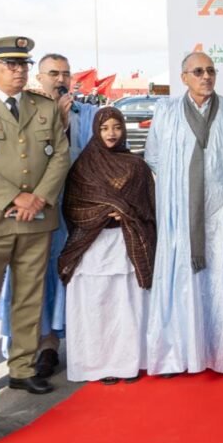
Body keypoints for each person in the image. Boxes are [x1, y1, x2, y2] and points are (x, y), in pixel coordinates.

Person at [0, 36, 70, 394]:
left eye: (23, 64)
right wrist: (15, 197)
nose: (19, 71)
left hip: (36, 218)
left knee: (29, 298)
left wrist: (39, 198)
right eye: (11, 64)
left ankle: (22, 368)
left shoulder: (43, 106)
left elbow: (60, 155)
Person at [144, 52, 223, 375]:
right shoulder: (166, 112)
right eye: (198, 71)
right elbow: (154, 157)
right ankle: (177, 356)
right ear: (184, 78)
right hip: (181, 215)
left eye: (210, 71)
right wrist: (179, 192)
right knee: (181, 281)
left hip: (222, 214)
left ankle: (220, 354)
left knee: (220, 281)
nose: (206, 76)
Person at [0, 52, 98, 379]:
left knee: (72, 274)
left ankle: (68, 342)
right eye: (53, 73)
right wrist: (58, 125)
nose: (60, 79)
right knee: (33, 279)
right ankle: (40, 345)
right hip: (36, 209)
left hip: (77, 212)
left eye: (65, 74)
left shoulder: (88, 114)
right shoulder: (24, 113)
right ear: (39, 78)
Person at [58, 107, 155, 383]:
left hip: (126, 246)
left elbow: (148, 205)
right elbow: (74, 207)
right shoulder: (83, 166)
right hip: (93, 248)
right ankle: (98, 365)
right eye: (104, 128)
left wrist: (127, 212)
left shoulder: (136, 166)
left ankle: (129, 363)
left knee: (127, 307)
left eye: (116, 127)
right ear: (95, 130)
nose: (111, 133)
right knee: (97, 307)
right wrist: (105, 212)